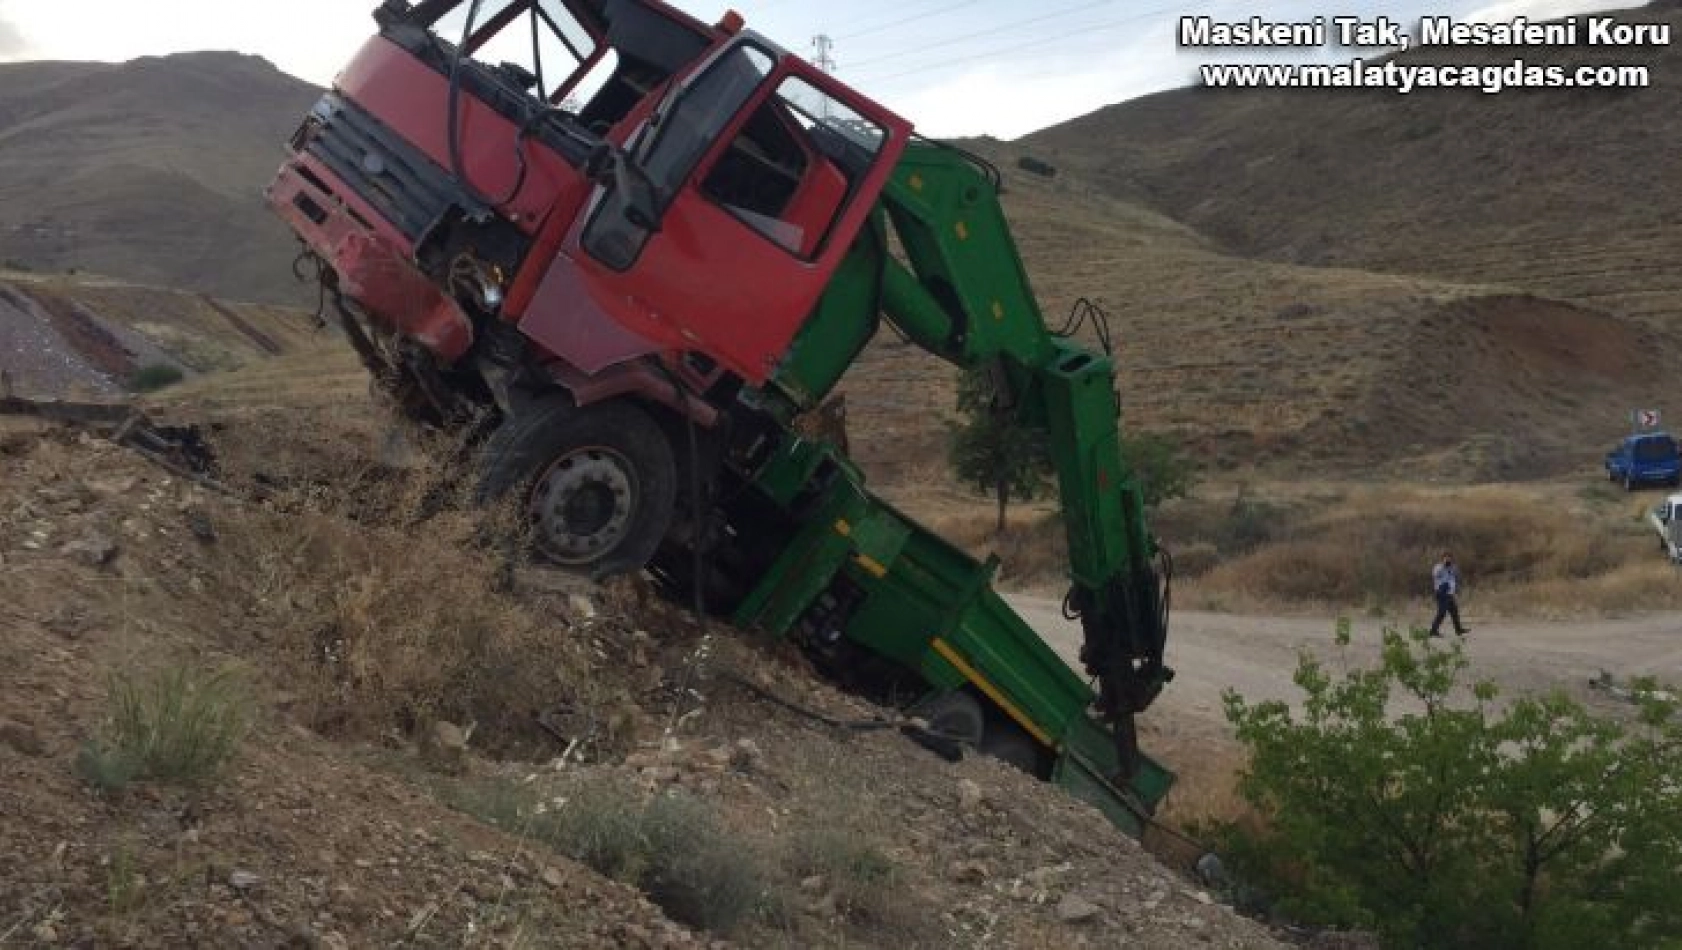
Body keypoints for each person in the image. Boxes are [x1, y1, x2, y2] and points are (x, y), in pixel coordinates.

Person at [1429, 551, 1470, 637]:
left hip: (1450, 593)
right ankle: (1433, 631)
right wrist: (1444, 567)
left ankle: (1458, 630)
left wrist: (1456, 589)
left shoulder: (1452, 567)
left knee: (1454, 611)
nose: (1448, 559)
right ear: (1442, 558)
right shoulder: (1438, 567)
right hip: (1441, 592)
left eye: (1449, 558)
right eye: (1446, 558)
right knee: (1442, 612)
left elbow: (1456, 577)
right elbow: (1435, 575)